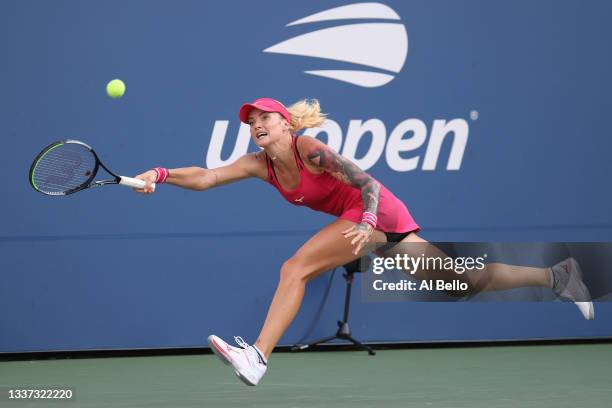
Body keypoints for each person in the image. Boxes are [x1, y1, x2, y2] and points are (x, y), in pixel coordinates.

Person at [134, 97, 594, 386]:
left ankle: (257, 356)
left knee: (295, 268)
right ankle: (557, 276)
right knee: (463, 281)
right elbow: (209, 176)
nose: (256, 123)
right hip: (374, 223)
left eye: (265, 118)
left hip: (376, 212)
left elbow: (367, 183)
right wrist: (160, 174)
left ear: (285, 124)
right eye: (250, 120)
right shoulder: (259, 164)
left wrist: (369, 220)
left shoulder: (311, 150)